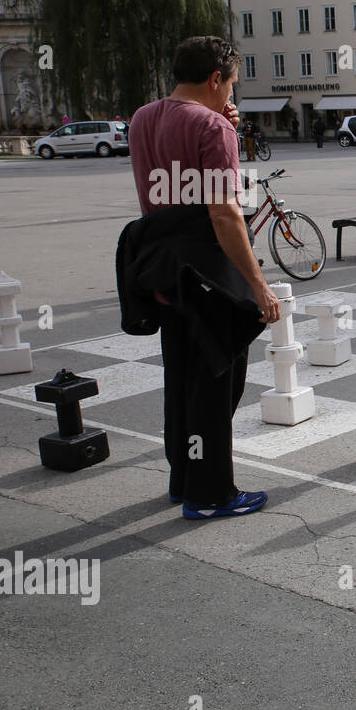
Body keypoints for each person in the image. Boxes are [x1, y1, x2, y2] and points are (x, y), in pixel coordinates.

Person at [120, 34, 278, 519]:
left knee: (181, 377)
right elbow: (225, 212)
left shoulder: (143, 118)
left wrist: (219, 120)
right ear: (216, 78)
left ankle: (183, 479)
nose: (231, 96)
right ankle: (210, 495)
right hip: (206, 267)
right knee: (216, 381)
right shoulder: (213, 126)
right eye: (230, 86)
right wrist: (257, 285)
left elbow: (171, 168)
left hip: (162, 265)